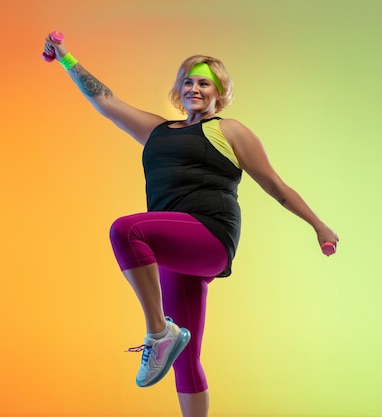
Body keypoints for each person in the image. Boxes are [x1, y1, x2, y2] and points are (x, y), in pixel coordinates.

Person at [43, 35, 339, 417]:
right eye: (187, 81)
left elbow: (275, 185)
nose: (193, 88)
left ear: (219, 92)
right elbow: (105, 100)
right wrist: (66, 59)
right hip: (173, 248)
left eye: (203, 82)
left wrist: (319, 226)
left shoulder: (228, 130)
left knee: (125, 230)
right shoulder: (157, 131)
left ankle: (158, 332)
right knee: (186, 358)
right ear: (178, 89)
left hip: (210, 236)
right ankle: (169, 342)